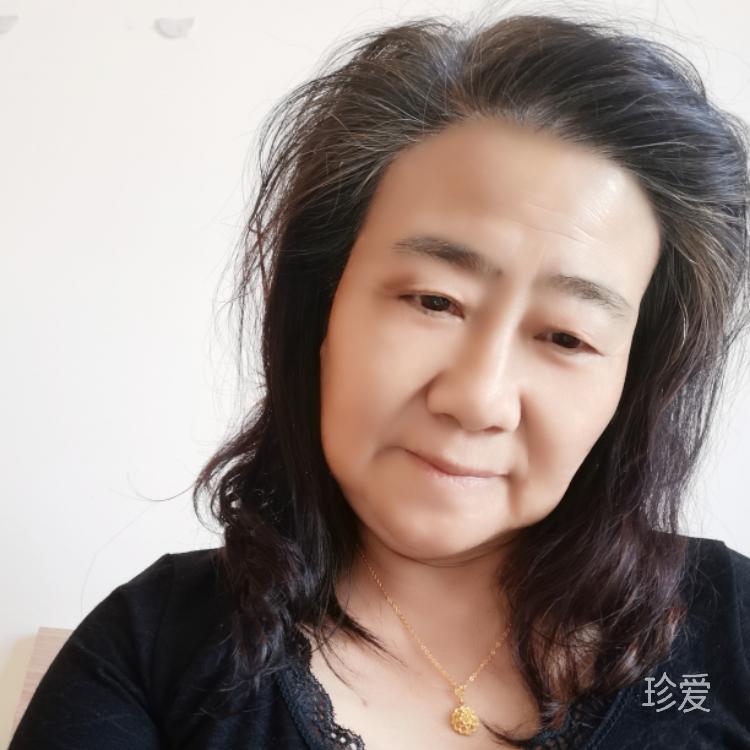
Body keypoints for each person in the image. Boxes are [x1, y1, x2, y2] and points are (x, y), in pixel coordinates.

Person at [10, 10, 750, 750]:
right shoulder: (151, 653)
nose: (477, 399)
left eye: (566, 337)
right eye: (434, 301)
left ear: (631, 382)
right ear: (320, 307)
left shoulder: (731, 629)